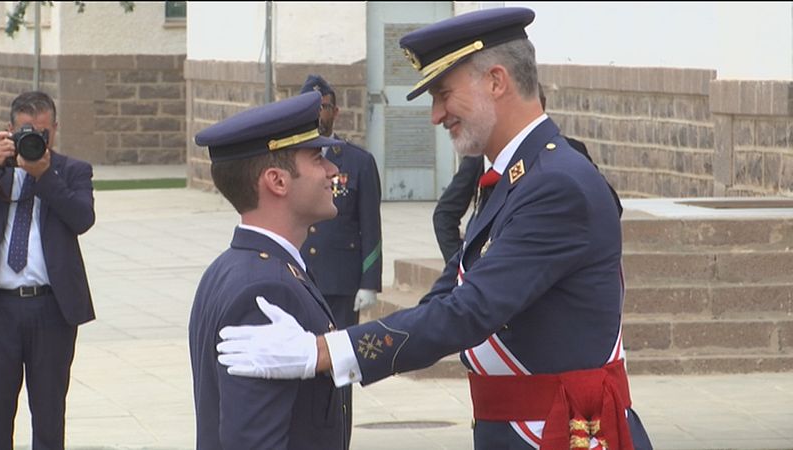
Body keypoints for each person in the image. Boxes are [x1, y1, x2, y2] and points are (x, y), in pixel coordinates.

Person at [216, 7, 653, 450]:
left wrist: (324, 353)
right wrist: (335, 345)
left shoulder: (556, 185)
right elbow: (445, 300)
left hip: (563, 433)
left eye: (444, 94)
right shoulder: (517, 179)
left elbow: (470, 311)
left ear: (496, 81)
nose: (436, 115)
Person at [188, 91, 350, 450]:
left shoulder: (237, 267)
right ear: (277, 181)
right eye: (318, 158)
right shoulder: (265, 288)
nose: (333, 171)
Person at [0, 91, 96, 450]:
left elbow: (83, 219)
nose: (34, 139)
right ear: (9, 131)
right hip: (0, 310)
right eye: (26, 131)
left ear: (55, 129)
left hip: (52, 309)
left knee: (49, 414)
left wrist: (45, 176)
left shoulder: (73, 171)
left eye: (42, 132)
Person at [433, 84, 623, 263]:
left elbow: (610, 204)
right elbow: (445, 214)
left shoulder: (570, 153)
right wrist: (464, 264)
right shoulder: (481, 157)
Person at [298, 74, 382, 442]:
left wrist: (369, 282)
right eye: (311, 108)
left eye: (325, 107)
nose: (319, 114)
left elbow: (371, 227)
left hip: (341, 283)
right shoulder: (290, 158)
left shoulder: (358, 162)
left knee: (342, 366)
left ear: (336, 111)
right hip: (300, 280)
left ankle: (339, 437)